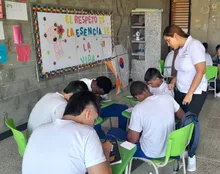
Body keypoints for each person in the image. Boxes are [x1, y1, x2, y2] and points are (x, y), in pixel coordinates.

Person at [23, 91, 112, 174]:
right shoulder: (88, 133)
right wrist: (106, 152)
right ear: (88, 113)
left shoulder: (38, 130)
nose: (93, 124)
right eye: (94, 119)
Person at [163, 25, 207, 172]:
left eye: (168, 41)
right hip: (180, 90)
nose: (168, 45)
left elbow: (201, 71)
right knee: (181, 120)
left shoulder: (195, 46)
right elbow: (180, 70)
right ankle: (181, 150)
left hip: (195, 92)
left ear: (175, 35)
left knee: (190, 123)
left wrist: (189, 94)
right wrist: (173, 82)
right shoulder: (179, 49)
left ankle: (192, 155)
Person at [106, 81, 183, 158]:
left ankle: (115, 164)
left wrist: (133, 133)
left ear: (136, 97)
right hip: (171, 149)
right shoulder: (167, 97)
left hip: (150, 153)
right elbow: (182, 116)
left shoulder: (138, 109)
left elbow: (133, 140)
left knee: (112, 132)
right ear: (147, 88)